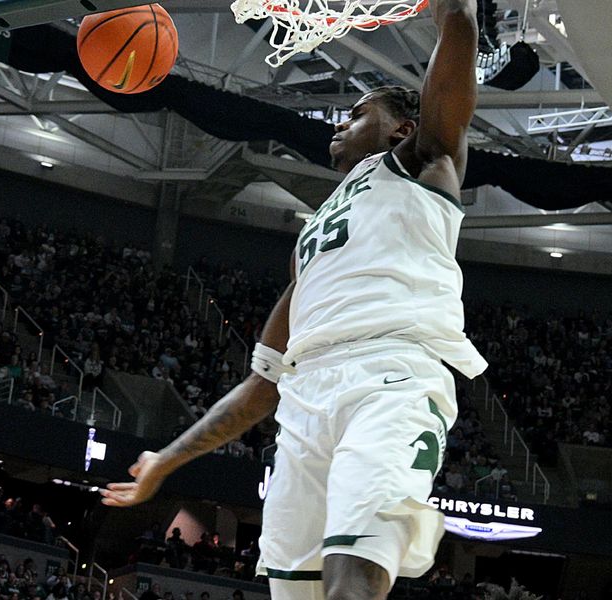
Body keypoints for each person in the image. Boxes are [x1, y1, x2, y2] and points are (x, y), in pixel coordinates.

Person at [100, 1, 484, 599]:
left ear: (402, 129)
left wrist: (450, 8)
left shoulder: (424, 161)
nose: (339, 123)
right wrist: (166, 460)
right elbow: (262, 384)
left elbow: (459, 31)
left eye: (358, 114)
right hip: (304, 405)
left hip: (391, 378)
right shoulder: (310, 241)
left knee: (352, 577)